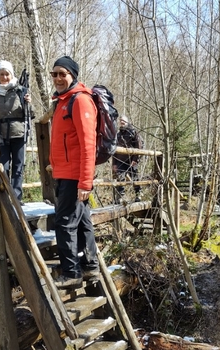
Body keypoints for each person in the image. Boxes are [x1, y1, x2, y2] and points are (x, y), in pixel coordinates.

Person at [48, 56, 101, 289]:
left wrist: (85, 181)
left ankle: (71, 273)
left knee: (65, 223)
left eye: (63, 74)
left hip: (75, 175)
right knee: (82, 221)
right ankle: (90, 267)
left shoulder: (79, 101)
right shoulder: (62, 101)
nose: (59, 78)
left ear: (72, 75)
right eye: (55, 74)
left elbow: (88, 144)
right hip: (66, 173)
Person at [0, 60, 34, 202]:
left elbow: (31, 114)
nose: (4, 77)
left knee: (18, 166)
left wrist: (29, 104)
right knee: (4, 167)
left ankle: (17, 198)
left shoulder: (20, 90)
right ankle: (7, 198)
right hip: (1, 135)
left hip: (19, 133)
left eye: (7, 74)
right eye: (1, 74)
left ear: (11, 74)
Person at [113, 115, 143, 203]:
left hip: (131, 159)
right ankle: (121, 197)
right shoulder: (118, 135)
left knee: (135, 177)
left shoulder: (133, 132)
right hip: (120, 160)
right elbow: (114, 150)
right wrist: (114, 164)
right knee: (119, 177)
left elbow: (139, 146)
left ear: (127, 122)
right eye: (120, 121)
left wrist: (135, 159)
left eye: (123, 121)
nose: (122, 122)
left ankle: (138, 195)